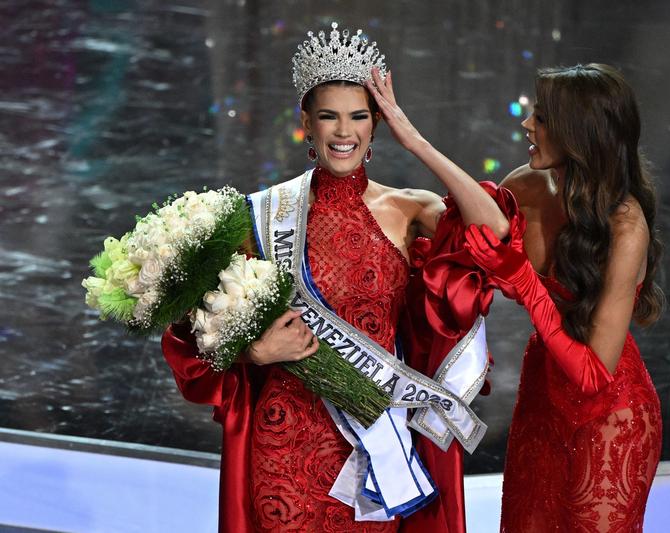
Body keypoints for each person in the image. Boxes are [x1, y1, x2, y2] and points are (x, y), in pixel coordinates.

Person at [161, 23, 521, 533]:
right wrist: (253, 353)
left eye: (359, 116)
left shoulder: (409, 209)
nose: (344, 132)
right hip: (284, 438)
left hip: (375, 448)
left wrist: (414, 138)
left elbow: (495, 229)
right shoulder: (264, 215)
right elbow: (191, 335)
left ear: (376, 124)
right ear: (306, 123)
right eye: (329, 116)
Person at [463, 63, 665, 532]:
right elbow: (463, 253)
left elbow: (594, 373)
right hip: (542, 399)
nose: (527, 124)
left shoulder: (626, 225)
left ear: (578, 133)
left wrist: (524, 281)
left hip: (609, 417)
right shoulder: (525, 186)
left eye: (541, 117)